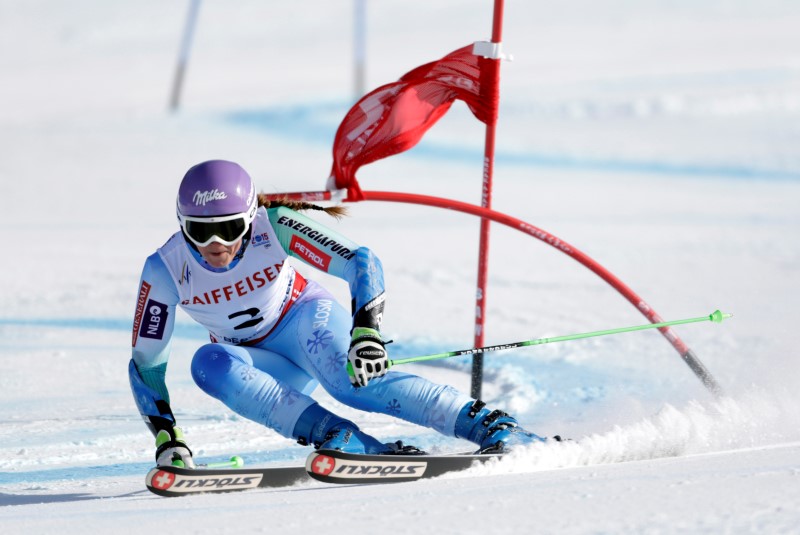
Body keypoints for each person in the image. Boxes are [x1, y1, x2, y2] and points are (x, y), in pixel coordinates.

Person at [129, 159, 545, 468]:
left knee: (351, 384)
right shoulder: (165, 269)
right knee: (209, 364)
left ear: (250, 218)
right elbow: (147, 365)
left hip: (306, 321)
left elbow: (360, 261)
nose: (216, 243)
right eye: (200, 232)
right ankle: (348, 441)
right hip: (261, 362)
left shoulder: (274, 226)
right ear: (182, 225)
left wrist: (367, 332)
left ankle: (490, 425)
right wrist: (167, 439)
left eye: (231, 228)